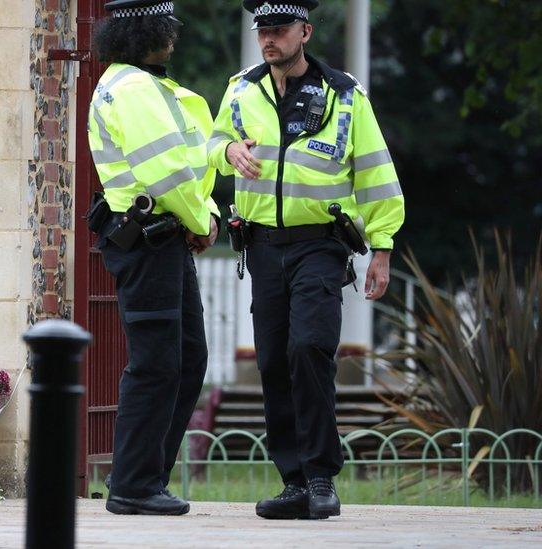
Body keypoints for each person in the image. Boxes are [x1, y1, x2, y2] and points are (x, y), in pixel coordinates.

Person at [209, 0, 405, 520]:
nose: (268, 38)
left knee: (310, 348)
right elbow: (209, 144)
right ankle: (293, 481)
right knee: (273, 359)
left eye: (278, 29)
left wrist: (381, 247)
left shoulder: (345, 95)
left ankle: (321, 477)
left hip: (321, 243)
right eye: (262, 29)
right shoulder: (240, 88)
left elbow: (376, 172)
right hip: (263, 245)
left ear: (305, 31)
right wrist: (228, 152)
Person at [87, 0, 222, 516]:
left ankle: (145, 480)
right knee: (158, 363)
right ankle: (134, 485)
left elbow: (186, 166)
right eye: (170, 29)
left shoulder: (134, 84)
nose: (175, 38)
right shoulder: (137, 89)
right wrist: (202, 220)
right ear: (152, 32)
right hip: (151, 240)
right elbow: (167, 172)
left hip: (160, 239)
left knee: (186, 359)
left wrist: (199, 212)